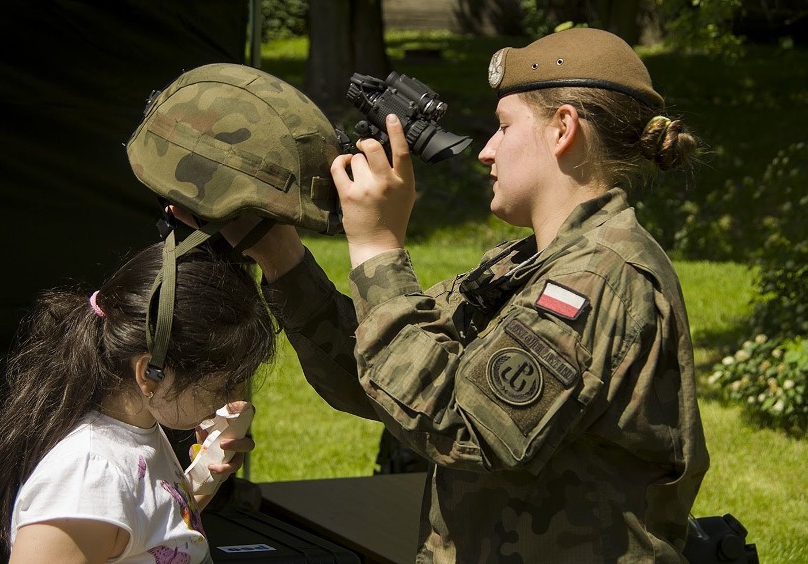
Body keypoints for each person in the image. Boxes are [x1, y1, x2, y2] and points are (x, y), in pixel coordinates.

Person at [221, 27, 710, 562]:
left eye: (503, 127)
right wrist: (280, 256)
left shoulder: (597, 279)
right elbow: (386, 380)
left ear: (563, 128)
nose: (486, 151)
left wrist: (377, 248)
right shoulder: (523, 265)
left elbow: (465, 427)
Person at [0, 241, 276, 563]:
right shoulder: (87, 479)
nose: (234, 400)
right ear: (149, 375)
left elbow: (147, 536)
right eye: (222, 385)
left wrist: (203, 481)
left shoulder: (139, 433)